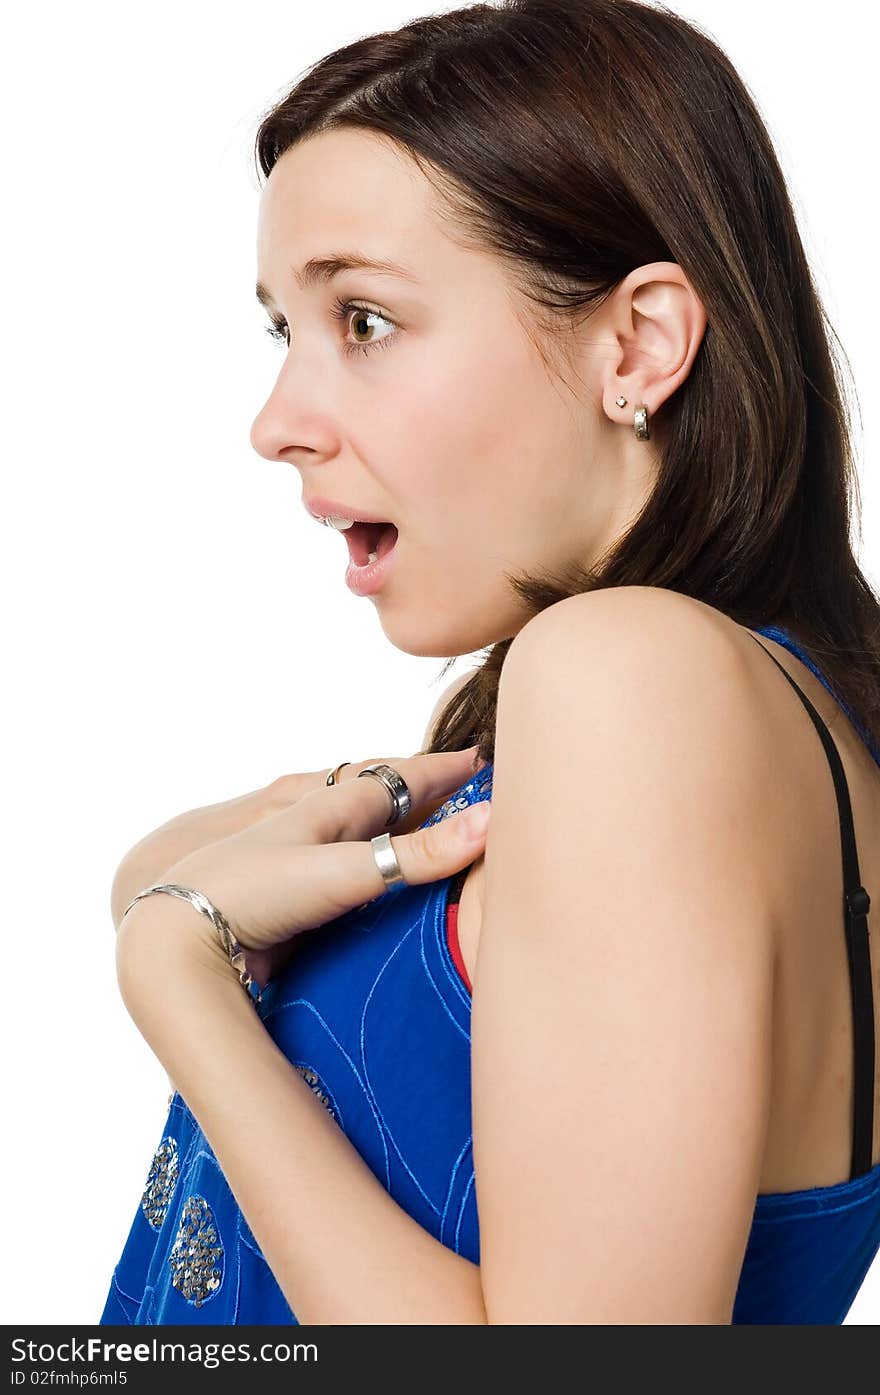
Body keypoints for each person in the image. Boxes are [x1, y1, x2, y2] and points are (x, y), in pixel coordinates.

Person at [100, 0, 880, 1324]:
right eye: (283, 331)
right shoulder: (747, 708)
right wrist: (178, 898)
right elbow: (171, 870)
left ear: (634, 346)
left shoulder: (632, 676)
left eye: (367, 319)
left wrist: (181, 984)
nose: (276, 422)